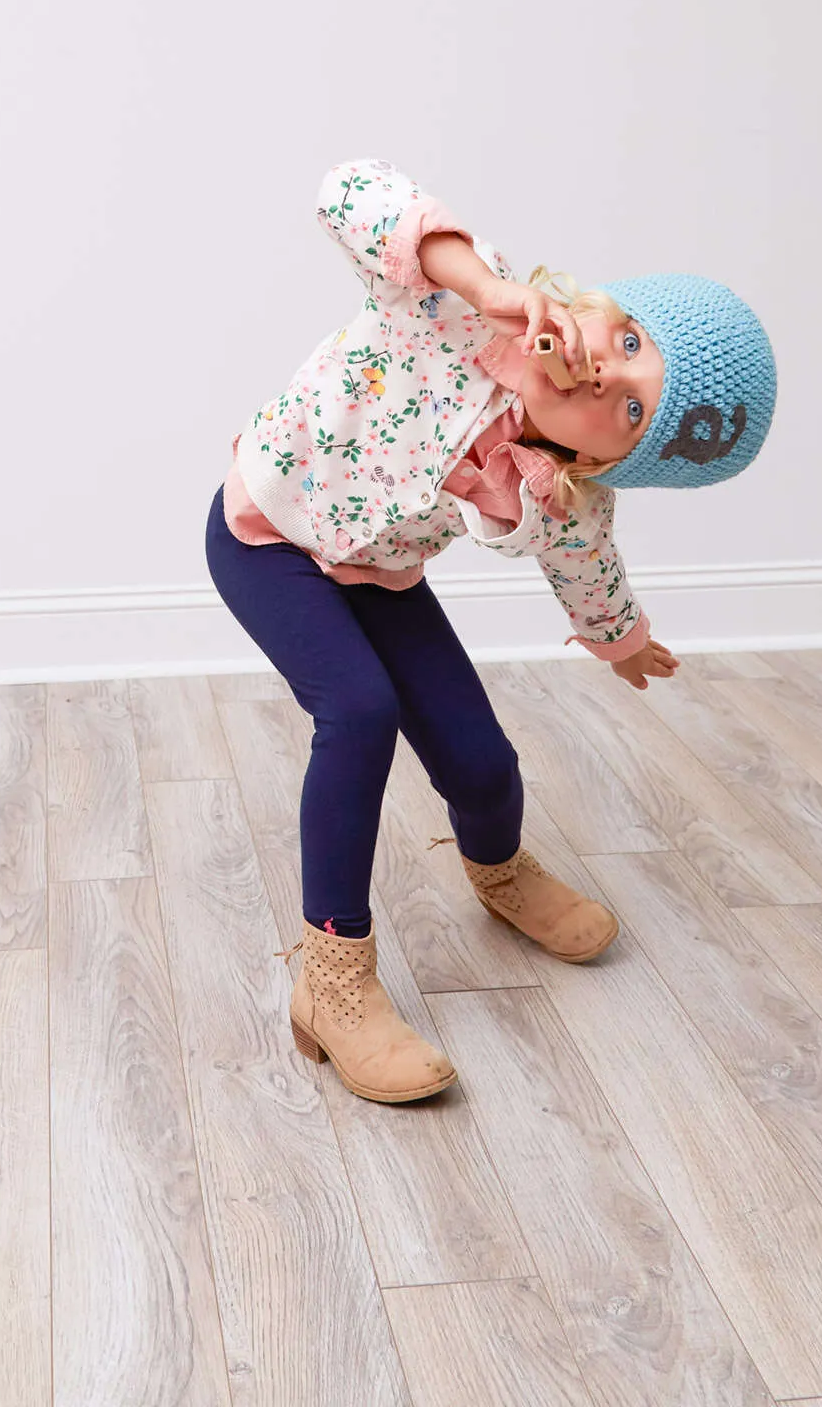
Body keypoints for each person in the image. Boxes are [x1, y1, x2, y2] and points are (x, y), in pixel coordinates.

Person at [205, 157, 776, 1103]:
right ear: (595, 306)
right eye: (627, 337)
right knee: (359, 710)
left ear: (611, 458)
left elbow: (585, 563)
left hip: (377, 576)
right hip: (267, 534)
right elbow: (348, 191)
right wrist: (480, 279)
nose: (605, 373)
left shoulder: (557, 487)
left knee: (479, 758)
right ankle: (333, 979)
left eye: (634, 408)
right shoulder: (455, 305)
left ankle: (501, 871)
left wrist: (620, 637)